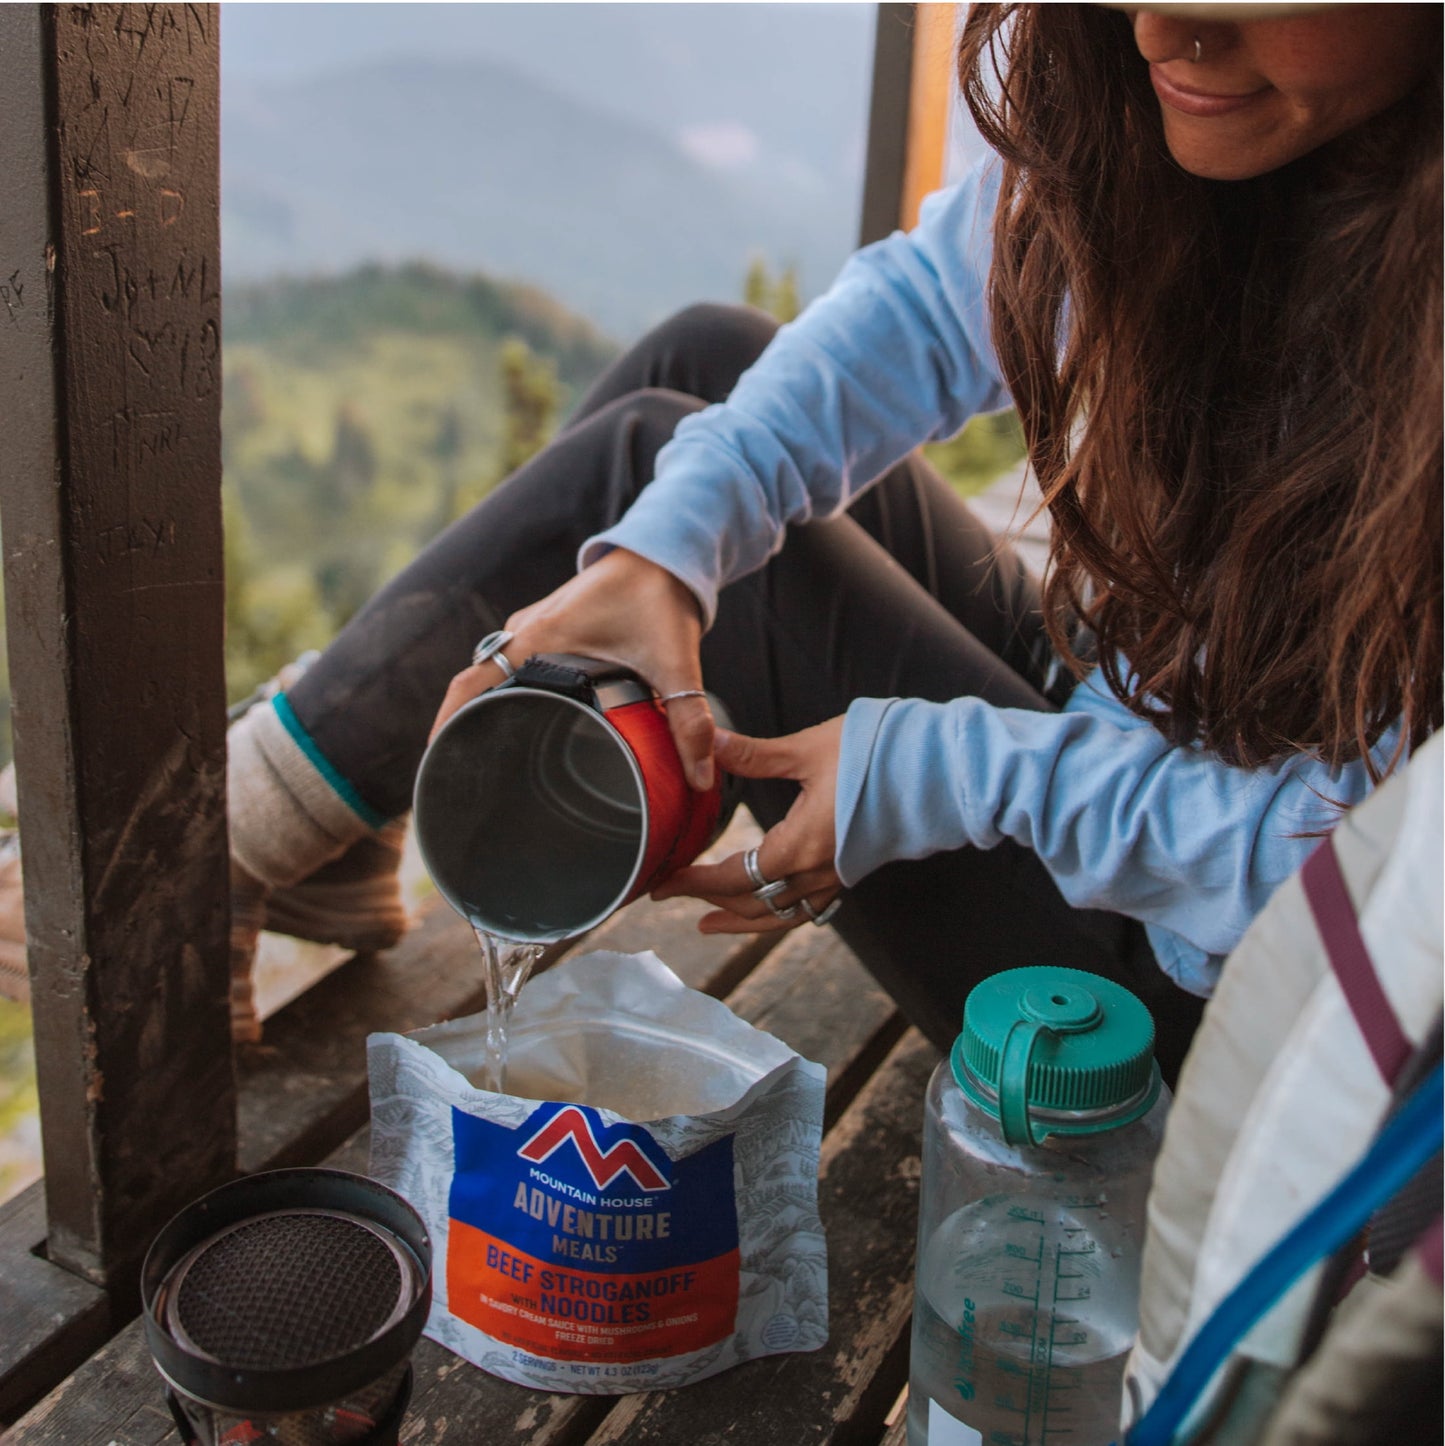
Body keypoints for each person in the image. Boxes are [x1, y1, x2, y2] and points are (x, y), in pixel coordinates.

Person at [227, 2, 1442, 1084]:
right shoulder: (1199, 142)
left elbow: (1356, 889)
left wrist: (936, 772)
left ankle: (237, 834)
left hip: (1201, 1018)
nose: (1156, 28)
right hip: (1129, 719)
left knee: (674, 491)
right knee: (705, 372)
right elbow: (922, 308)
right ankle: (323, 821)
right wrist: (661, 555)